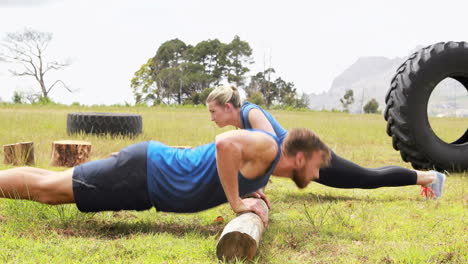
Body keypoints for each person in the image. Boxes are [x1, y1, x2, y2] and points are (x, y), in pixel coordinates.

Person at [0, 128, 331, 226]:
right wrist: (234, 201)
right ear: (299, 157)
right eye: (317, 165)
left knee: (52, 180)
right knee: (48, 191)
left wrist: (252, 189)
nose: (316, 174)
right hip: (144, 174)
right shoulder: (269, 147)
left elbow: (236, 161)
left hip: (146, 173)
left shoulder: (267, 163)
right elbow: (224, 143)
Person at [205, 85, 446, 200]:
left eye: (213, 111)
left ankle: (430, 178)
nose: (212, 117)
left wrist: (256, 186)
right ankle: (426, 178)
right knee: (364, 177)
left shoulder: (250, 113)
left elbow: (270, 153)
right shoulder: (241, 123)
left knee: (367, 178)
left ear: (228, 107)